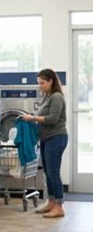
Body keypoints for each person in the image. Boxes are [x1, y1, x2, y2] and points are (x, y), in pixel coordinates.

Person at [21, 68, 67, 218]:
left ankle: (59, 206)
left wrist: (32, 118)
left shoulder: (57, 97)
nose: (40, 86)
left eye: (42, 83)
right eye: (39, 83)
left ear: (50, 81)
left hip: (56, 138)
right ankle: (51, 202)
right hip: (47, 139)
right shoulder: (47, 96)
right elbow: (43, 115)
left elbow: (52, 119)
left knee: (53, 173)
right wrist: (31, 116)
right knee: (48, 173)